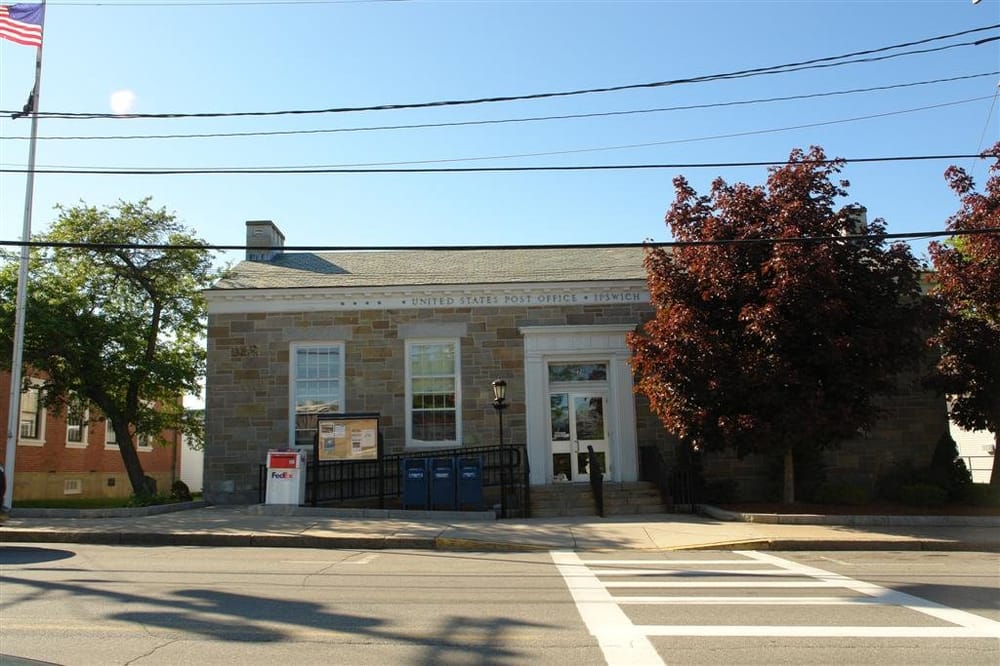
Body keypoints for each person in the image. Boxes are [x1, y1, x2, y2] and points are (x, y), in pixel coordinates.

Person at [587, 445, 604, 517]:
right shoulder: (594, 460)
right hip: (597, 481)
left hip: (596, 481)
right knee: (599, 497)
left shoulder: (593, 460)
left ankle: (600, 512)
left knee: (598, 497)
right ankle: (600, 512)